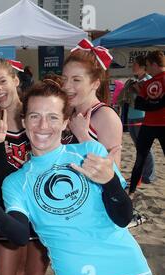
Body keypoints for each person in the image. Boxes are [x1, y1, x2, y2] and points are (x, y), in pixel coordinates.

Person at [0, 78, 159, 275]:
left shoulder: (90, 151)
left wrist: (110, 182)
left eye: (52, 117)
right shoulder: (17, 182)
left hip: (132, 274)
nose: (43, 126)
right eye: (35, 116)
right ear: (24, 120)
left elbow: (123, 217)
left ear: (64, 122)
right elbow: (19, 235)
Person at [0, 59, 49, 275]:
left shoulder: (38, 116)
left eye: (2, 81)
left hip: (41, 211)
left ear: (16, 80)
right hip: (10, 210)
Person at [61, 39, 123, 169]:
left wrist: (83, 136)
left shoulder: (106, 117)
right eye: (64, 79)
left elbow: (114, 174)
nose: (66, 86)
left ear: (95, 83)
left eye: (76, 80)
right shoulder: (68, 111)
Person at [129, 50, 165, 196]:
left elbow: (143, 103)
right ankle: (131, 190)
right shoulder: (148, 82)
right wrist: (158, 104)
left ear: (155, 64)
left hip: (152, 124)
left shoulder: (150, 82)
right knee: (140, 158)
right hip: (149, 125)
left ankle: (131, 192)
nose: (147, 68)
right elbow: (139, 104)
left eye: (148, 65)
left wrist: (151, 104)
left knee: (140, 159)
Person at [117, 55, 155, 184]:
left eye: (135, 65)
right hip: (132, 116)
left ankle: (148, 175)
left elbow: (150, 98)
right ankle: (142, 174)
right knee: (139, 147)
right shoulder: (133, 80)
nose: (133, 67)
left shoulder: (149, 80)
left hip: (142, 117)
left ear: (143, 67)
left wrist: (138, 89)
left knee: (145, 148)